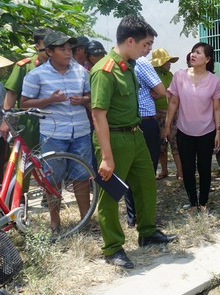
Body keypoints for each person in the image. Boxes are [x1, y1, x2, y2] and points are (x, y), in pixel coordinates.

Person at [90, 15, 175, 269]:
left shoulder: (130, 67)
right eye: (144, 44)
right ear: (130, 41)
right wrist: (106, 156)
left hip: (136, 134)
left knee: (146, 184)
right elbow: (98, 115)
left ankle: (147, 233)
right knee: (110, 195)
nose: (146, 50)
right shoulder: (105, 70)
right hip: (113, 138)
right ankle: (113, 248)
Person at [20, 31, 93, 234]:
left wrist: (84, 100)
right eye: (63, 49)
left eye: (70, 48)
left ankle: (85, 220)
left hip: (80, 131)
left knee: (81, 177)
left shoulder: (80, 71)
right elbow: (24, 102)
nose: (68, 52)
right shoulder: (36, 75)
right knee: (52, 180)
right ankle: (55, 223)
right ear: (50, 51)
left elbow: (89, 95)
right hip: (53, 134)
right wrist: (49, 100)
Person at [164, 43, 220, 213]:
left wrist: (218, 131)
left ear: (208, 59)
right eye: (193, 52)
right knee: (187, 169)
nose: (193, 55)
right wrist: (167, 125)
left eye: (198, 53)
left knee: (204, 168)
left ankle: (203, 203)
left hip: (207, 132)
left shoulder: (214, 81)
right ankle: (193, 203)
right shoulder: (179, 76)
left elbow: (217, 108)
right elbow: (173, 102)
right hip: (184, 131)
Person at [122, 40, 166, 228]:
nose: (148, 49)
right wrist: (151, 91)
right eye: (147, 44)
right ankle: (145, 217)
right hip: (145, 122)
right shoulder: (141, 63)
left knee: (130, 171)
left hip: (128, 123)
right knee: (146, 172)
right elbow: (161, 90)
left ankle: (133, 217)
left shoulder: (122, 63)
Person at [1, 28, 51, 147]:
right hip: (30, 121)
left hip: (53, 119)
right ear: (37, 46)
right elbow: (12, 93)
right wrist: (6, 121)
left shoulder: (59, 66)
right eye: (47, 45)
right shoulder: (25, 66)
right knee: (27, 159)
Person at [150, 48, 182, 181]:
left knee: (175, 142)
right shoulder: (152, 75)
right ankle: (164, 170)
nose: (169, 64)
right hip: (158, 113)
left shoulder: (170, 75)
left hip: (173, 112)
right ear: (160, 63)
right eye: (167, 61)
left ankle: (180, 172)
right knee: (161, 144)